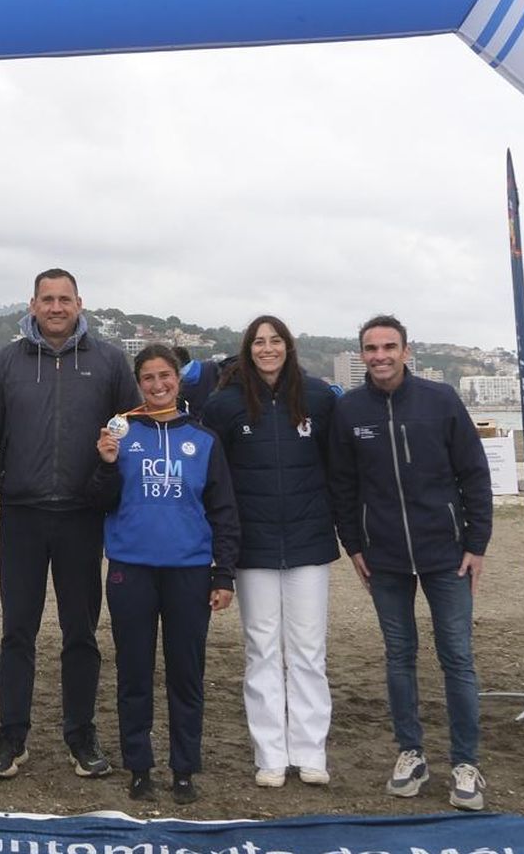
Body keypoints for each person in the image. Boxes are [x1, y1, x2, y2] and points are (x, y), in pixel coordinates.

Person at [0, 268, 137, 780]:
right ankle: (11, 737)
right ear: (33, 304)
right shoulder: (5, 363)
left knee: (80, 634)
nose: (57, 307)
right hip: (21, 516)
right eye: (48, 299)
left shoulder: (109, 362)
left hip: (83, 518)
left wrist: (117, 497)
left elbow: (130, 434)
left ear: (80, 303)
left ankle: (81, 735)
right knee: (17, 633)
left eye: (65, 299)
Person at [327, 314, 493, 811]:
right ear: (361, 354)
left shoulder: (440, 401)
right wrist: (353, 544)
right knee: (399, 657)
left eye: (389, 346)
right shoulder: (350, 410)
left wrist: (476, 543)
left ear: (406, 350)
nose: (380, 355)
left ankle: (466, 763)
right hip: (384, 558)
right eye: (371, 348)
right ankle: (411, 753)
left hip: (446, 553)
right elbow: (342, 483)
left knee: (457, 657)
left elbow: (474, 474)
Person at [88, 344, 239, 804]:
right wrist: (106, 465)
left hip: (189, 571)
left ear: (178, 378)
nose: (157, 385)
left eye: (165, 376)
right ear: (139, 383)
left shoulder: (204, 438)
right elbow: (99, 501)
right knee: (134, 673)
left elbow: (224, 510)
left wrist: (224, 573)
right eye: (148, 378)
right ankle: (139, 766)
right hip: (131, 569)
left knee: (186, 675)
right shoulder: (121, 432)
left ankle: (184, 769)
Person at [202, 315, 339, 789]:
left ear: (288, 346)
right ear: (247, 349)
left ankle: (310, 750)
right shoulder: (224, 405)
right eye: (258, 342)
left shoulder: (319, 397)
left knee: (307, 650)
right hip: (253, 547)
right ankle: (270, 755)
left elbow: (337, 469)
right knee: (261, 649)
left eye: (274, 340)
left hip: (309, 544)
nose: (267, 349)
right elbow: (214, 481)